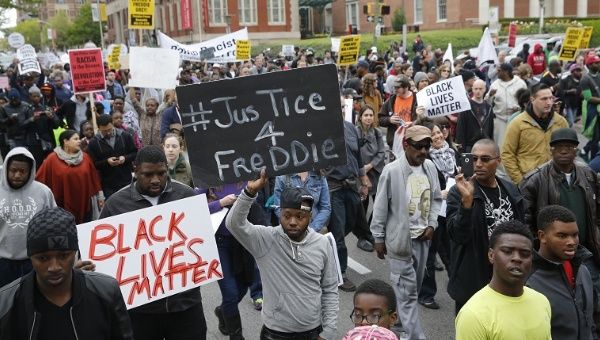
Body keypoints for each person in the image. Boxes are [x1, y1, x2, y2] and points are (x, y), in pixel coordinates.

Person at [99, 145, 207, 340]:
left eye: (161, 173)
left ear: (167, 169)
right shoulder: (115, 204)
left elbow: (202, 245)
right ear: (135, 170)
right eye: (148, 174)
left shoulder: (187, 196)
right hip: (140, 312)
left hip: (185, 306)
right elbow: (103, 257)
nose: (156, 180)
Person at [226, 178, 339, 340]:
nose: (293, 222)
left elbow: (329, 289)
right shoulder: (266, 239)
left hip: (313, 331)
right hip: (275, 333)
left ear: (310, 216)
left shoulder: (322, 243)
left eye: (300, 216)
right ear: (280, 213)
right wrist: (249, 193)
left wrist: (328, 332)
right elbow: (234, 224)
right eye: (287, 216)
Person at [0, 207, 134, 339]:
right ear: (30, 257)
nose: (54, 267)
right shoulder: (6, 303)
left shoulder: (107, 291)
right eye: (43, 258)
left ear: (75, 253)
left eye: (63, 256)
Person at [371, 125, 442, 340]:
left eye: (426, 146)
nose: (423, 151)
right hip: (400, 242)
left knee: (410, 291)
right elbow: (381, 207)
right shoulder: (392, 171)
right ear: (405, 145)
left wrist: (431, 225)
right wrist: (378, 237)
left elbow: (436, 199)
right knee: (409, 294)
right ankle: (414, 336)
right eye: (418, 146)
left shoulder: (429, 167)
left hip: (423, 240)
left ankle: (399, 329)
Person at [446, 139, 524, 313]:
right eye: (474, 159)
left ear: (498, 161)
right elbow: (457, 236)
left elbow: (522, 232)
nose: (478, 164)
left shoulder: (511, 190)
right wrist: (466, 204)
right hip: (473, 280)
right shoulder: (458, 192)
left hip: (507, 277)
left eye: (485, 159)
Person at [455, 220, 552, 339]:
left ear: (531, 258)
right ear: (491, 255)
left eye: (525, 253)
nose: (517, 258)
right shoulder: (473, 315)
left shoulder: (542, 302)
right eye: (507, 251)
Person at [526, 205, 598, 340]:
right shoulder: (528, 281)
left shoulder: (583, 271)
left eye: (575, 235)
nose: (571, 242)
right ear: (542, 236)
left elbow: (592, 321)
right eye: (562, 236)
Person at [0, 148, 56, 287]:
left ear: (30, 171)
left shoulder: (43, 192)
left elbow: (54, 223)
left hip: (35, 259)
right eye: (13, 170)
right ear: (6, 168)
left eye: (23, 171)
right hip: (4, 262)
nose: (17, 175)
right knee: (7, 302)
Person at [502, 83, 569, 184]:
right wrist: (520, 181)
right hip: (530, 181)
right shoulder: (518, 123)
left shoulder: (561, 122)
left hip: (557, 180)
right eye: (544, 99)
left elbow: (569, 150)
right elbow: (507, 154)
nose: (549, 103)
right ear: (532, 99)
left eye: (551, 98)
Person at [36, 130, 103, 224]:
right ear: (65, 141)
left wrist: (100, 196)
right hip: (62, 208)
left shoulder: (85, 157)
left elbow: (94, 179)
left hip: (85, 206)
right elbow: (39, 180)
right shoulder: (52, 159)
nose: (79, 141)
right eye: (75, 139)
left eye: (79, 139)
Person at [86, 114, 137, 198]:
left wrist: (125, 158)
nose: (108, 132)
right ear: (99, 128)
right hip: (108, 185)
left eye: (109, 129)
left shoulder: (125, 136)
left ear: (112, 124)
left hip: (127, 180)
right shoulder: (94, 143)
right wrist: (107, 162)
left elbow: (135, 153)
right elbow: (94, 164)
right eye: (104, 131)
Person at [356, 105, 386, 223]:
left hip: (375, 172)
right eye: (366, 115)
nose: (368, 118)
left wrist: (371, 165)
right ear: (361, 117)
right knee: (363, 202)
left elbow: (381, 152)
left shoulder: (377, 132)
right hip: (361, 173)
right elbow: (353, 151)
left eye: (371, 115)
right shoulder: (355, 131)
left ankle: (371, 225)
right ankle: (363, 231)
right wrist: (362, 169)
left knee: (379, 202)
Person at [486, 63, 528, 147]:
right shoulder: (495, 84)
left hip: (517, 118)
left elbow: (526, 101)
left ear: (506, 72)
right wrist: (490, 95)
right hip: (500, 120)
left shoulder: (520, 83)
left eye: (499, 70)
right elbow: (487, 103)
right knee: (501, 146)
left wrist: (519, 109)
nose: (496, 72)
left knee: (517, 144)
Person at [20, 85, 61, 167]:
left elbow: (57, 125)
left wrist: (52, 117)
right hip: (33, 142)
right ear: (30, 96)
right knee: (37, 165)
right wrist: (32, 119)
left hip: (48, 141)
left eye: (38, 96)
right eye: (34, 96)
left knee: (51, 164)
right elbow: (21, 126)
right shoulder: (25, 109)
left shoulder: (46, 108)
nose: (36, 98)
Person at [456, 79, 494, 153]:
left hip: (485, 145)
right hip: (470, 146)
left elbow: (490, 129)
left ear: (485, 89)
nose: (478, 91)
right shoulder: (466, 106)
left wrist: (491, 143)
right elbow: (460, 130)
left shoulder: (488, 107)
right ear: (472, 89)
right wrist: (461, 150)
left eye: (480, 89)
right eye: (476, 89)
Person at [379, 75, 418, 148]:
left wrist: (413, 123)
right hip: (396, 143)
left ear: (406, 87)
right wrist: (389, 120)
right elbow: (380, 119)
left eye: (398, 87)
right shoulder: (391, 100)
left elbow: (424, 119)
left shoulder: (417, 98)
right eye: (394, 87)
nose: (395, 90)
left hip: (413, 141)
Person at [581, 55, 600, 160]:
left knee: (597, 137)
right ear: (589, 65)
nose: (598, 64)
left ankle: (584, 151)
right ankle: (594, 162)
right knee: (595, 137)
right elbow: (588, 98)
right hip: (592, 111)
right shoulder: (585, 79)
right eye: (596, 63)